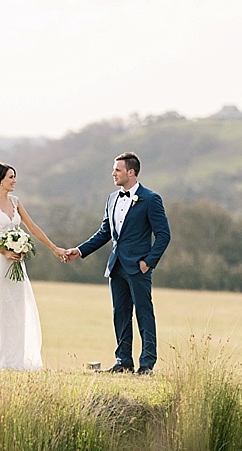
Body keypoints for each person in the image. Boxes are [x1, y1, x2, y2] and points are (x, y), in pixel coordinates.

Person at [64, 152, 170, 375]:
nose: (113, 173)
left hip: (138, 267)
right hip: (116, 267)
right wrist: (80, 250)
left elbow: (163, 235)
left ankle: (147, 364)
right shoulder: (112, 199)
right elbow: (105, 233)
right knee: (120, 314)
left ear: (131, 172)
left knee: (144, 313)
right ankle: (123, 362)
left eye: (118, 170)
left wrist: (148, 262)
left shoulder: (151, 199)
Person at [0, 162, 66, 370]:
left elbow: (32, 228)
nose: (14, 180)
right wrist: (3, 250)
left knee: (17, 308)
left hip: (16, 262)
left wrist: (54, 248)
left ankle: (16, 360)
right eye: (10, 177)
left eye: (14, 177)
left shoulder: (16, 202)